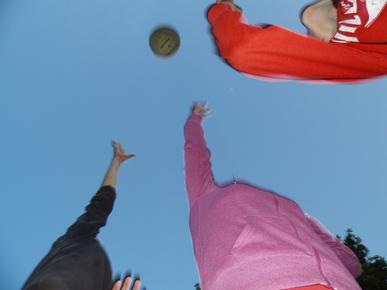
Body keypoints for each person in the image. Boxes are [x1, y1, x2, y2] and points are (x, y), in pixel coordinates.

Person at [184, 103, 363, 290]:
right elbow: (195, 154)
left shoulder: (294, 209)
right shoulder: (204, 197)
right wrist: (194, 119)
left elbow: (349, 262)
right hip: (256, 278)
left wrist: (312, 225)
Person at [22, 142, 141, 290]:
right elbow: (103, 200)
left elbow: (103, 201)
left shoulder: (78, 241)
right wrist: (116, 162)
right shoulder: (79, 237)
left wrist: (116, 162)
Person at [207, 0, 387, 82]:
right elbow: (246, 51)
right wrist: (223, 12)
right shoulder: (376, 57)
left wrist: (223, 11)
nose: (307, 24)